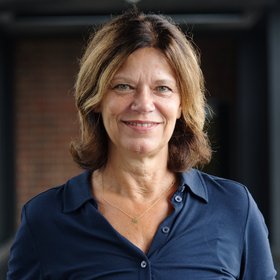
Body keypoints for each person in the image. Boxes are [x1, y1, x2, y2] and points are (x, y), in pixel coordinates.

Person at [7, 9, 277, 280]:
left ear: (182, 104)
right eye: (123, 86)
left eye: (162, 88)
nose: (143, 104)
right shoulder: (44, 219)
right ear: (97, 99)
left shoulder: (235, 209)